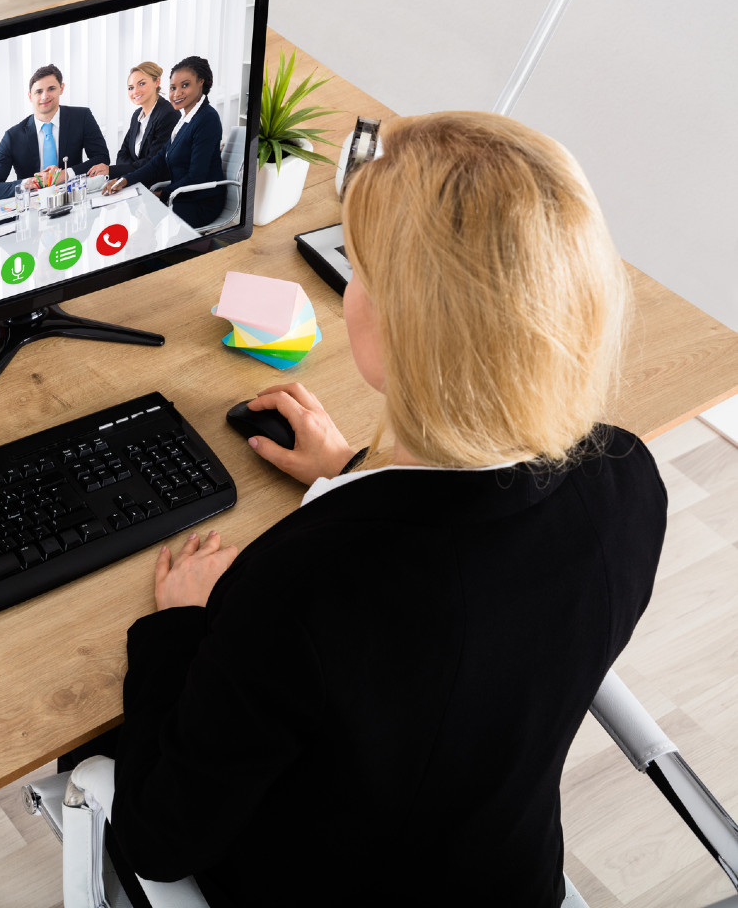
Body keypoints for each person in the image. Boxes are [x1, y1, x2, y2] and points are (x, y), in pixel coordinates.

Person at [109, 112, 665, 907]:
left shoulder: (307, 584)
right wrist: (353, 470)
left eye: (356, 268)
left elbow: (159, 839)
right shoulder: (627, 475)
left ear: (404, 324)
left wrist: (183, 626)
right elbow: (482, 625)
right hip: (505, 878)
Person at [104, 56, 224, 228]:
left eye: (185, 85)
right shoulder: (185, 120)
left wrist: (161, 195)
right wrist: (125, 180)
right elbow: (158, 161)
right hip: (181, 195)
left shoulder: (207, 119)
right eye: (173, 88)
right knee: (127, 207)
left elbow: (197, 176)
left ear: (200, 83)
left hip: (200, 202)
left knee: (138, 211)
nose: (176, 93)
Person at [0, 64, 110, 202]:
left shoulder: (81, 117)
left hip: (75, 200)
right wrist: (28, 183)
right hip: (34, 209)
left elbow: (102, 159)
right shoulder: (12, 136)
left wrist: (65, 174)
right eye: (38, 91)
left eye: (51, 89)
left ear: (61, 88)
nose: (45, 96)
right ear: (30, 96)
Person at [114, 62, 179, 176]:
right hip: (134, 179)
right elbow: (122, 154)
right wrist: (131, 168)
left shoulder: (168, 114)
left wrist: (126, 169)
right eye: (130, 88)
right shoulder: (137, 115)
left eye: (142, 84)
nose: (135, 91)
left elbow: (154, 162)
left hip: (156, 185)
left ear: (157, 82)